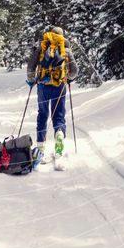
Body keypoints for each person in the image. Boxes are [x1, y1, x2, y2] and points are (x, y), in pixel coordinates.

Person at [26, 25, 78, 163]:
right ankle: (59, 135)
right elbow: (74, 71)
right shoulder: (65, 49)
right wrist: (69, 79)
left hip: (43, 86)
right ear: (62, 36)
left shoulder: (42, 47)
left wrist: (31, 81)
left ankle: (41, 148)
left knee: (42, 115)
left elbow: (31, 67)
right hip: (59, 86)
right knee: (58, 115)